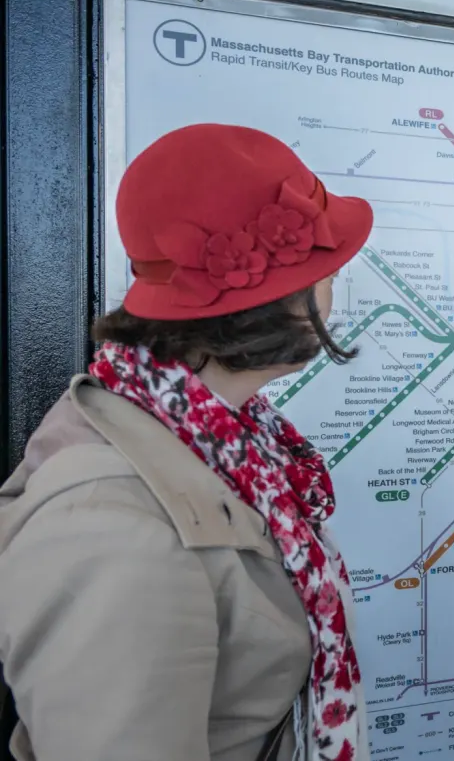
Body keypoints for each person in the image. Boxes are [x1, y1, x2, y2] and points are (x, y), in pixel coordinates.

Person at [0, 124, 375, 761]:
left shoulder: (225, 437)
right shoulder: (112, 530)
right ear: (280, 300)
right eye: (328, 269)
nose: (335, 289)